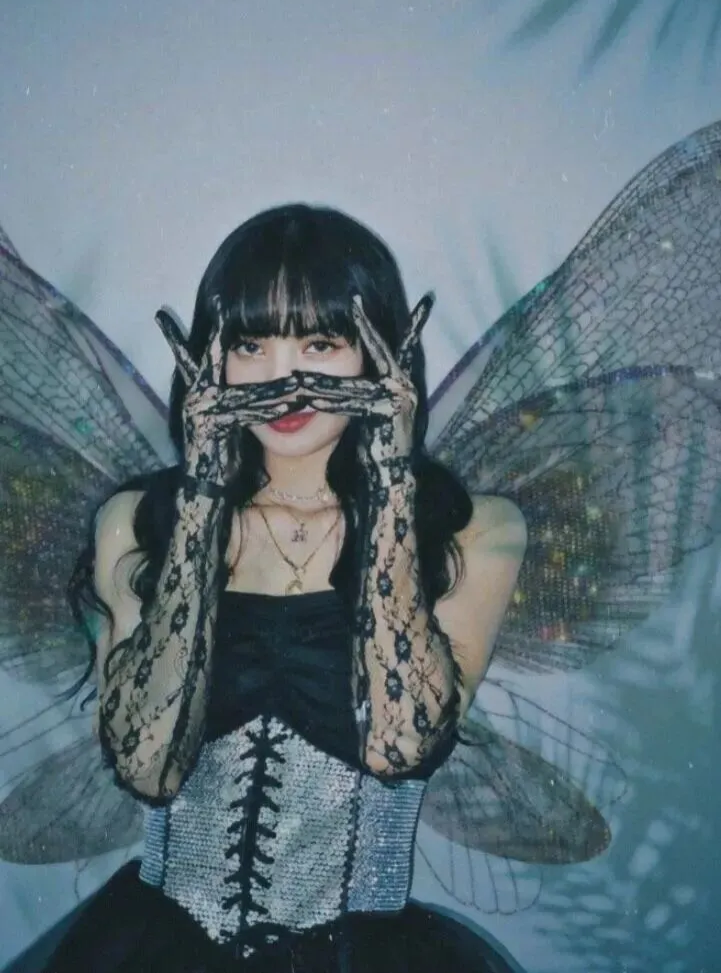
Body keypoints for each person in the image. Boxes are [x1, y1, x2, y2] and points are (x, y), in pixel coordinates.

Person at [44, 203, 527, 972]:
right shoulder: (137, 521)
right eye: (251, 344)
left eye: (320, 343)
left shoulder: (472, 531)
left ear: (378, 351)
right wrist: (201, 496)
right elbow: (146, 766)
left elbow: (400, 745)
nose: (284, 377)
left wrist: (390, 480)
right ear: (210, 354)